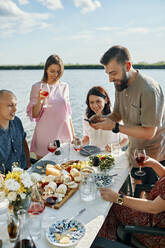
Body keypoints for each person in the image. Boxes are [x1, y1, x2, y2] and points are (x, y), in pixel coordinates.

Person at [90, 45, 165, 184]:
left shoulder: (149, 90)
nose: (110, 79)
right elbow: (117, 114)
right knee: (134, 194)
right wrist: (102, 120)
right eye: (107, 73)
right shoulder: (120, 83)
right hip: (133, 153)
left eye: (113, 73)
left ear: (128, 65)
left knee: (148, 200)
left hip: (153, 159)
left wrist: (115, 127)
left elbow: (149, 133)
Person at [98, 157, 165, 248]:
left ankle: (105, 242)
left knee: (110, 205)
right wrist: (154, 164)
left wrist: (117, 198)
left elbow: (153, 208)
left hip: (153, 228)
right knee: (113, 197)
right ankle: (110, 236)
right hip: (150, 213)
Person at [27, 54, 75, 159]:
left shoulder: (64, 86)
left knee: (66, 166)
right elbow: (34, 114)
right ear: (46, 70)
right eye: (52, 71)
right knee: (44, 168)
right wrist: (40, 100)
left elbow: (68, 114)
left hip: (64, 133)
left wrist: (73, 135)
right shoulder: (36, 87)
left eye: (58, 71)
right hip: (45, 133)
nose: (55, 74)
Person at [82, 86, 128, 150]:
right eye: (91, 102)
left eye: (98, 101)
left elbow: (126, 139)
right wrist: (80, 143)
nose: (95, 105)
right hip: (92, 155)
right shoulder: (86, 116)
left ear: (105, 100)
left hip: (111, 154)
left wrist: (114, 147)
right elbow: (87, 137)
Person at [0, 90, 31, 174]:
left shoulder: (17, 121)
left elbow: (23, 141)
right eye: (10, 105)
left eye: (15, 105)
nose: (15, 109)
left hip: (24, 172)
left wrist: (28, 163)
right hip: (5, 182)